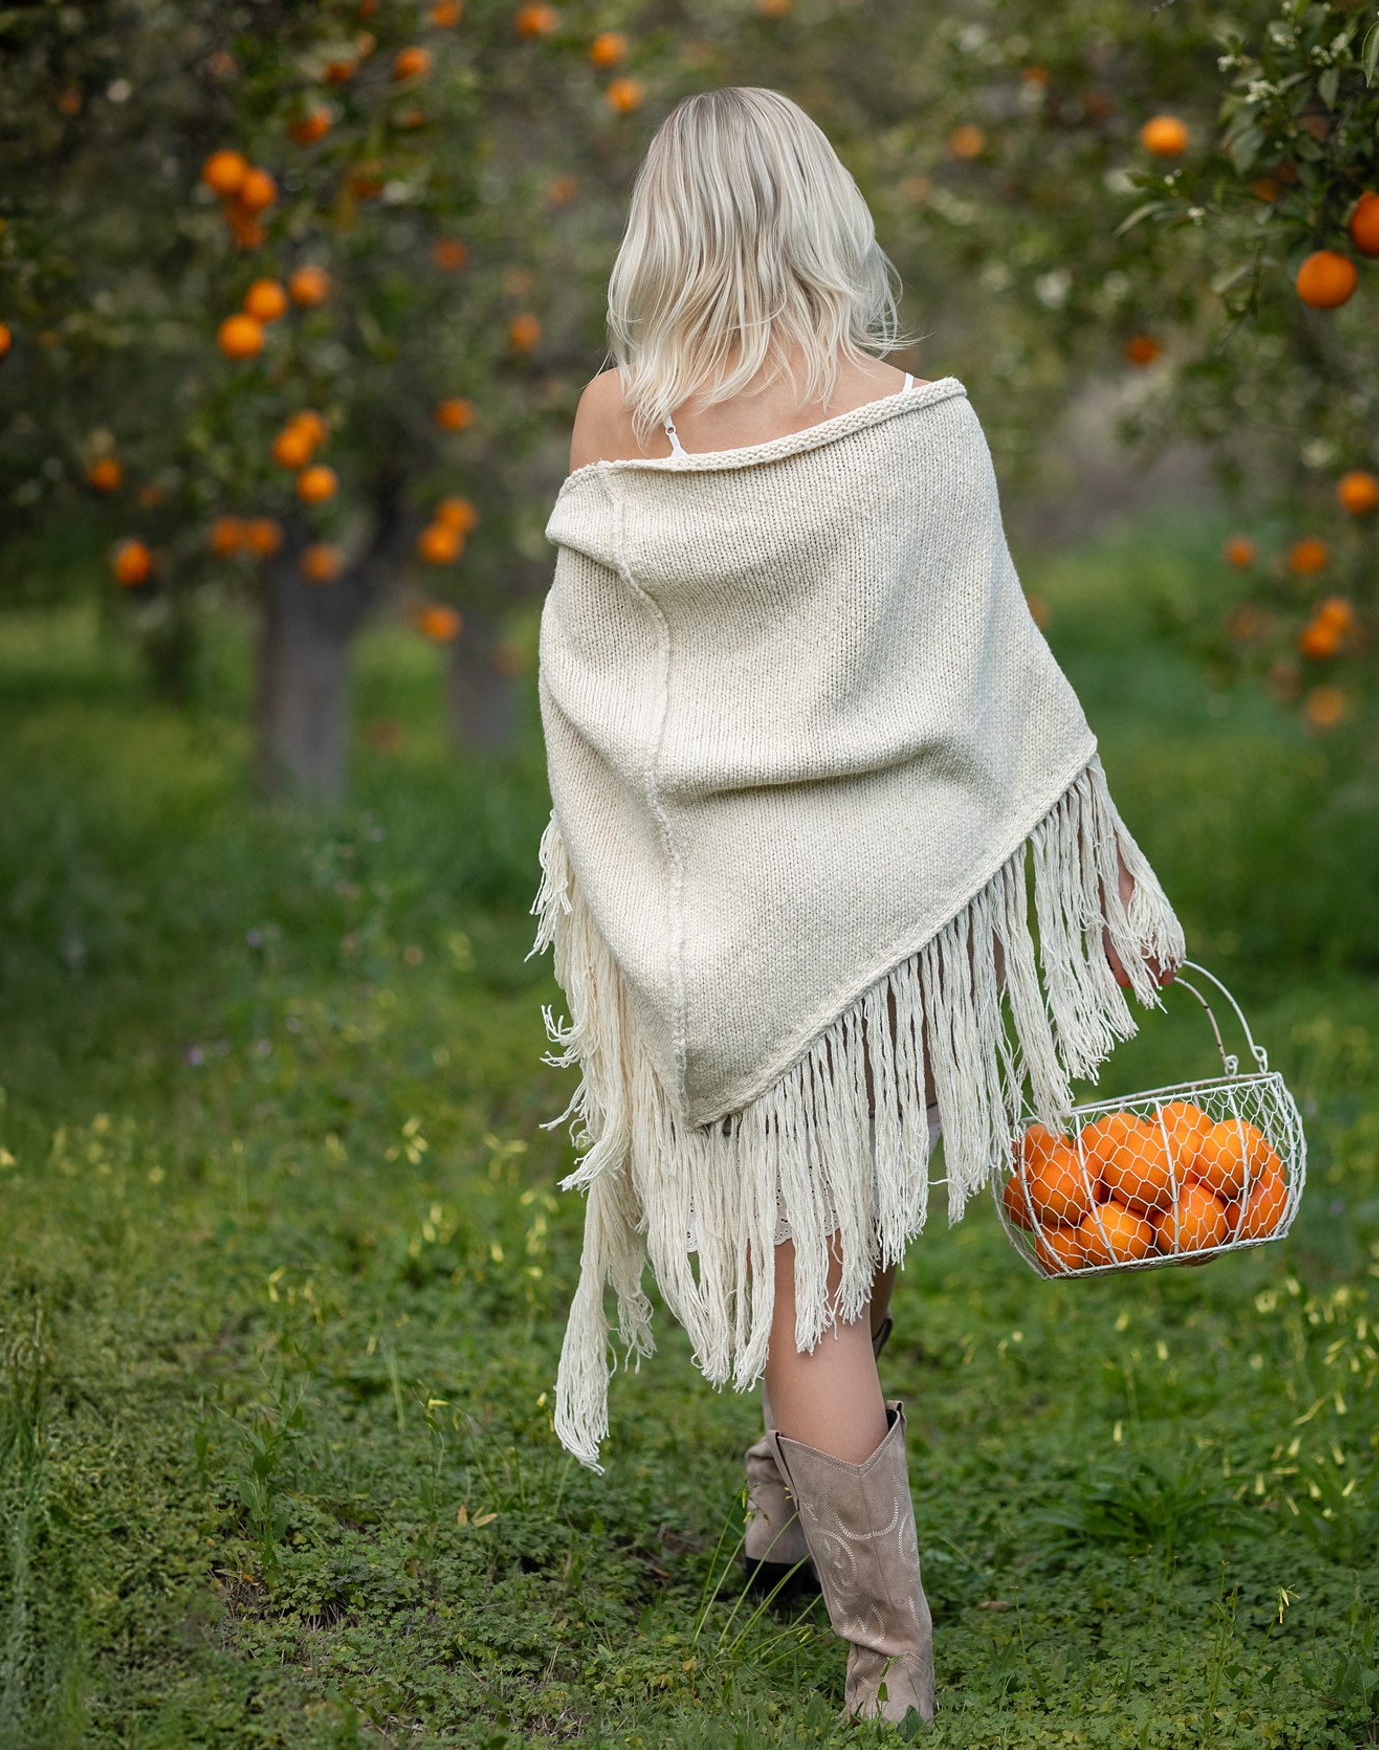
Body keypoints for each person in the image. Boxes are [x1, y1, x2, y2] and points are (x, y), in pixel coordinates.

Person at [531, 86, 1184, 1726]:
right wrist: (1089, 855)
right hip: (882, 900)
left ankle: (874, 1650)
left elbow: (595, 670)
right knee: (843, 1236)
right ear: (824, 214)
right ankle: (830, 1588)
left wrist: (618, 853)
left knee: (808, 1273)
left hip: (725, 915)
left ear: (662, 230)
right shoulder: (913, 416)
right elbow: (993, 660)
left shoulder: (624, 416)